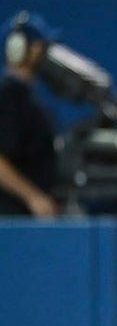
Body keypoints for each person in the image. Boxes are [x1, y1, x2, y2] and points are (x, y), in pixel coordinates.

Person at [0, 12, 59, 218]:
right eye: (38, 46)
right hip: (10, 221)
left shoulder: (26, 98)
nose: (43, 52)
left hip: (23, 219)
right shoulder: (8, 97)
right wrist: (33, 197)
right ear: (18, 48)